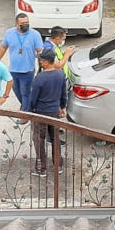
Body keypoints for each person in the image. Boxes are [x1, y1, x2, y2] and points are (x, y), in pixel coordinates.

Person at [27, 48, 67, 177]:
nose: (39, 62)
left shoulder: (40, 77)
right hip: (54, 112)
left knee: (39, 140)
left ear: (45, 62)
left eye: (41, 60)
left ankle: (41, 168)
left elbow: (33, 98)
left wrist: (30, 111)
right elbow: (63, 94)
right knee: (55, 139)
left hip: (40, 113)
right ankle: (58, 165)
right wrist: (62, 106)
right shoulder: (60, 74)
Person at [0, 12, 43, 111]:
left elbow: (40, 51)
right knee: (17, 91)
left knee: (25, 92)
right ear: (17, 24)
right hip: (13, 70)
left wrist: (42, 66)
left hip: (27, 70)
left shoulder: (35, 34)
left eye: (27, 22)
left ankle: (25, 113)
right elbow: (3, 47)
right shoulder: (9, 33)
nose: (26, 25)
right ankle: (27, 107)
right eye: (23, 23)